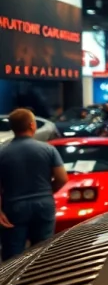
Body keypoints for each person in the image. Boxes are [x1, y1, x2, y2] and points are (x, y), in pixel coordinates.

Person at [0, 109, 69, 261]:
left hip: (14, 207)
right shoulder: (48, 149)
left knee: (13, 255)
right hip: (43, 204)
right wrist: (47, 191)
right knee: (42, 252)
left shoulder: (2, 152)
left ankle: (12, 284)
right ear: (32, 125)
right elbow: (62, 178)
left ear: (12, 128)